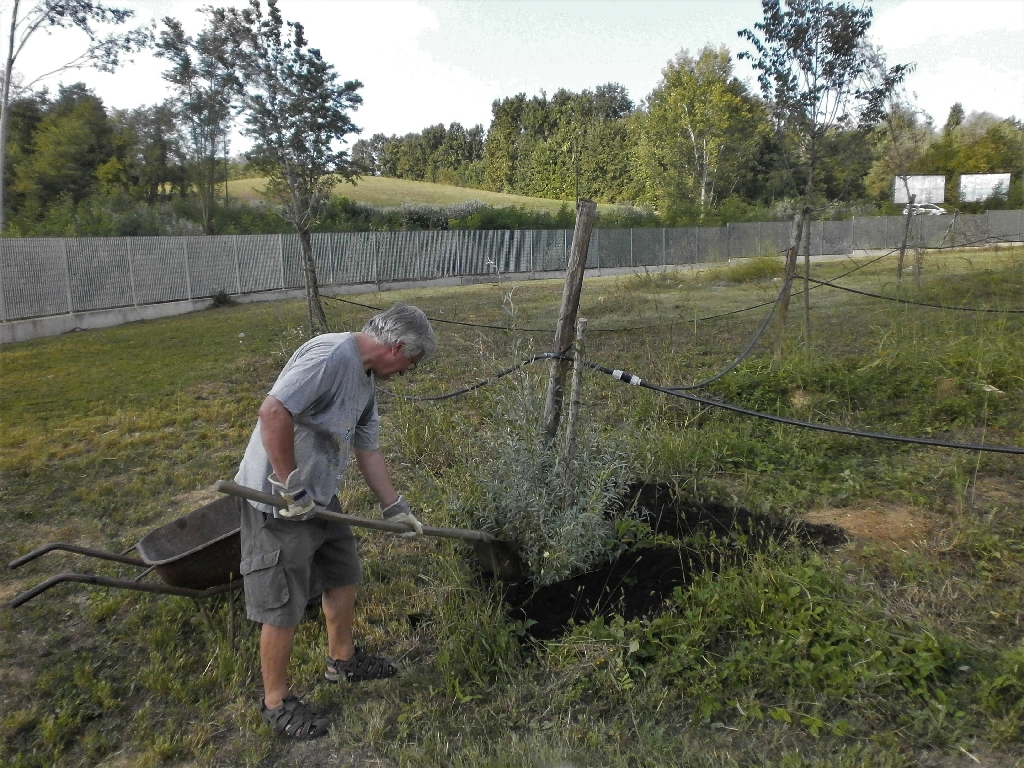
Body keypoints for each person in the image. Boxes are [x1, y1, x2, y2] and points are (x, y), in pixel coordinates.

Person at [233, 301, 436, 739]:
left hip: (319, 497)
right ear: (398, 347)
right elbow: (273, 412)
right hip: (278, 499)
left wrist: (394, 506)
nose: (407, 373)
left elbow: (368, 447)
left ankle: (341, 660)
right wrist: (289, 485)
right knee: (283, 603)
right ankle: (275, 702)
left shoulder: (365, 379)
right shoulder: (330, 355)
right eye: (411, 363)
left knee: (343, 571)